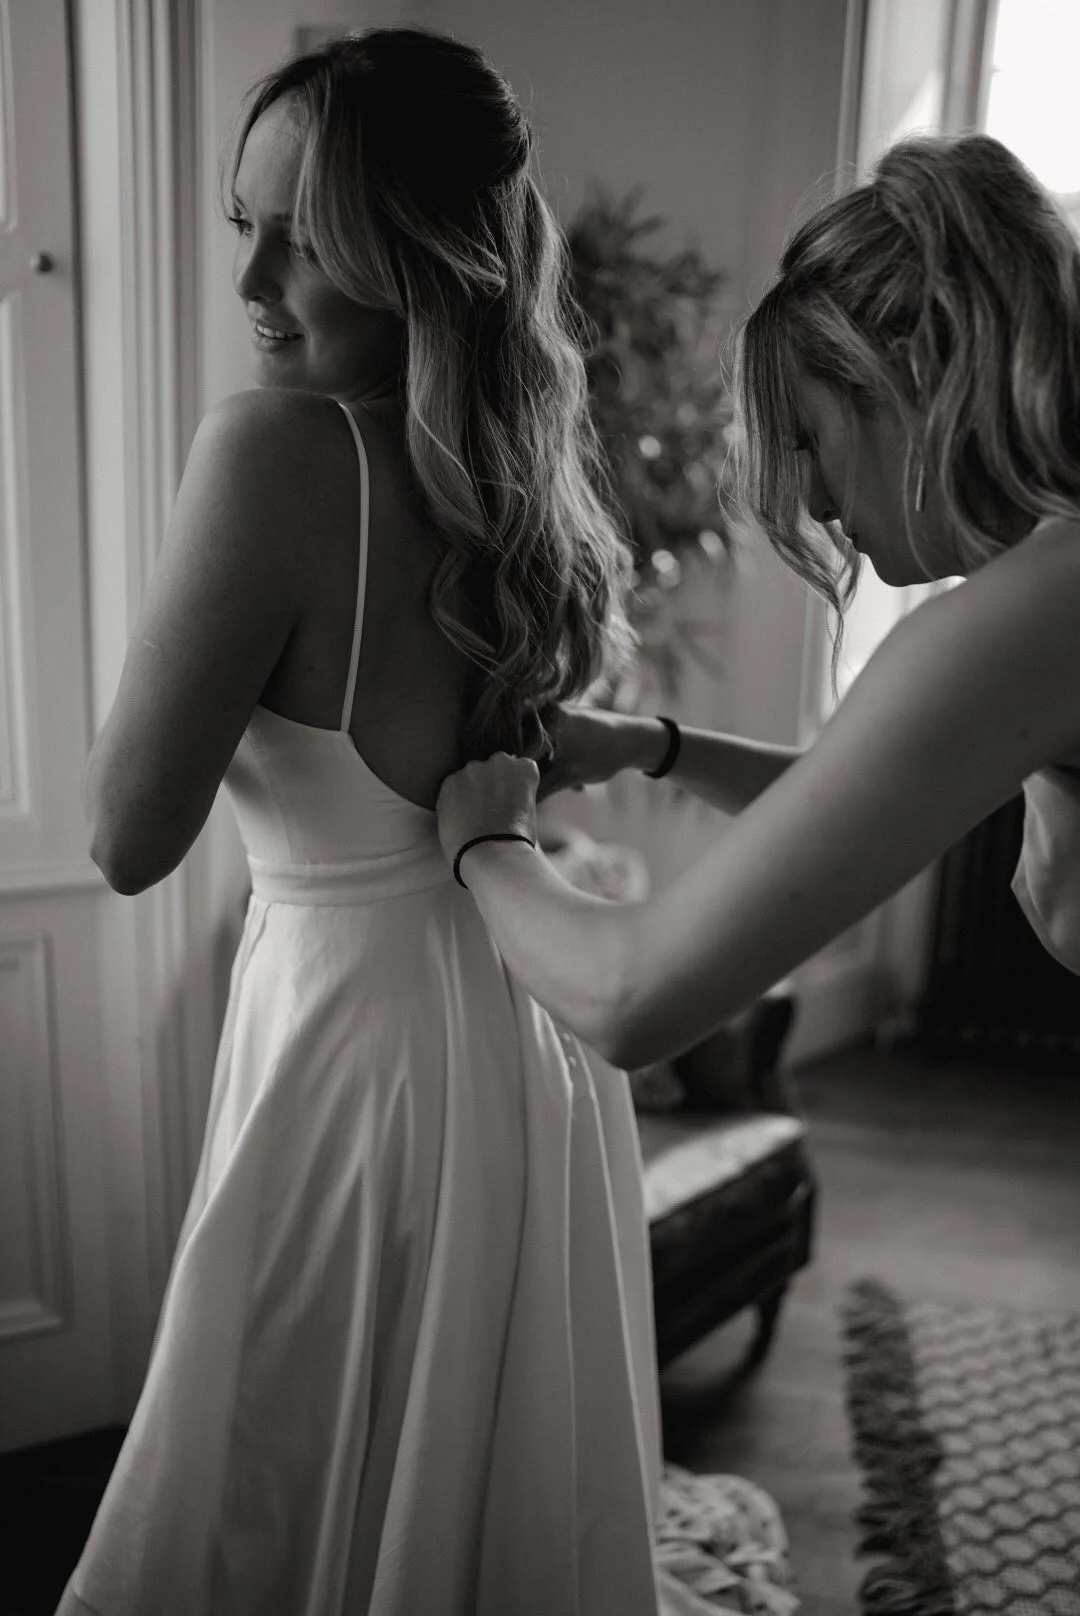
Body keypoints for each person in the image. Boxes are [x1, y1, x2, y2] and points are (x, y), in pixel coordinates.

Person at [60, 28, 663, 1616]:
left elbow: (126, 838)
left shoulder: (267, 455)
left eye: (304, 235)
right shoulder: (519, 485)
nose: (253, 279)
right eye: (240, 224)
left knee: (274, 1455)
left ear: (420, 253)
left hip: (354, 1048)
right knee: (458, 1471)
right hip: (522, 1035)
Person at [435, 132, 1080, 1071]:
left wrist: (489, 842)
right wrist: (650, 747)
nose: (811, 502)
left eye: (810, 439)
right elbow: (866, 799)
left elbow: (627, 1001)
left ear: (912, 370)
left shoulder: (1028, 615)